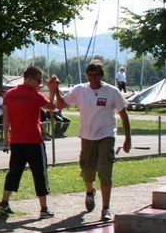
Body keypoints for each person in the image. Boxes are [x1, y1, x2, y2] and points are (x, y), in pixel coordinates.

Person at [51, 60, 131, 222]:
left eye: (96, 75)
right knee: (87, 171)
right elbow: (60, 105)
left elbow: (123, 115)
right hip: (87, 136)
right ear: (87, 75)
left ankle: (106, 208)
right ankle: (90, 191)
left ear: (102, 75)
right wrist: (56, 89)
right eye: (90, 75)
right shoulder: (80, 89)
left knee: (104, 170)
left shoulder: (112, 91)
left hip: (106, 135)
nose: (93, 78)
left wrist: (128, 138)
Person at [0, 66, 58, 219]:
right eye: (38, 81)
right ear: (29, 79)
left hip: (16, 141)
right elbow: (52, 107)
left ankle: (4, 203)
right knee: (40, 173)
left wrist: (6, 138)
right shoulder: (35, 95)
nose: (39, 84)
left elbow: (6, 118)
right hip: (34, 141)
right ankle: (44, 209)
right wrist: (52, 90)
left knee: (14, 172)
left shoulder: (9, 94)